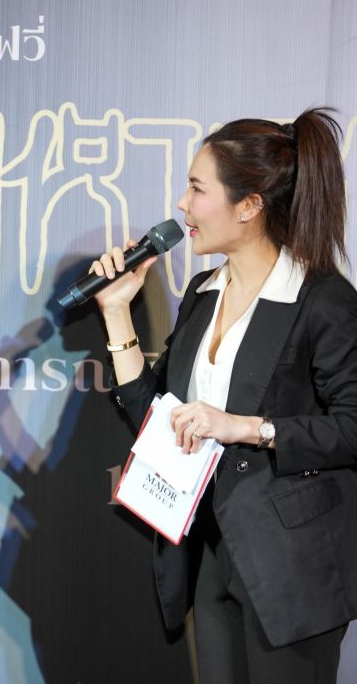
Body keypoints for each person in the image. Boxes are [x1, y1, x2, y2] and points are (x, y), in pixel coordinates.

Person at [90, 108, 357, 683]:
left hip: (291, 570)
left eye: (196, 188)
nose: (181, 204)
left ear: (249, 205)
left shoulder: (322, 299)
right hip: (212, 551)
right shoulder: (202, 293)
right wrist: (116, 312)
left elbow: (353, 427)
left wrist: (247, 427)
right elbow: (159, 420)